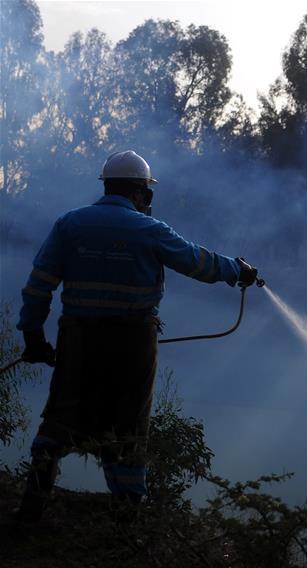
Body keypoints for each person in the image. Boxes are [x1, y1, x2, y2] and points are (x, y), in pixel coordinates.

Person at [15, 150, 257, 522]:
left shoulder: (70, 225)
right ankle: (127, 520)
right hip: (132, 345)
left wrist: (33, 336)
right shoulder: (150, 230)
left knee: (62, 415)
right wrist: (238, 271)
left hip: (77, 338)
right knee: (128, 424)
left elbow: (38, 288)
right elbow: (197, 262)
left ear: (107, 186)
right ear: (143, 194)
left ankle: (31, 506)